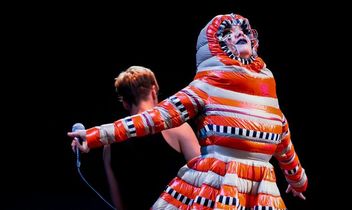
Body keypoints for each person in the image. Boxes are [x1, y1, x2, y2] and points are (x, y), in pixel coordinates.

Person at [70, 13, 308, 209]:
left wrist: (298, 181)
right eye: (227, 33)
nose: (239, 34)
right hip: (221, 185)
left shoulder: (268, 94)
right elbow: (156, 117)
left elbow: (283, 142)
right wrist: (94, 135)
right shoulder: (207, 86)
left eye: (243, 31)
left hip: (261, 191)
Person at [74, 66, 201, 210]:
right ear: (153, 91)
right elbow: (203, 177)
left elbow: (118, 204)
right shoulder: (177, 127)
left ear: (125, 103)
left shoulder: (110, 144)